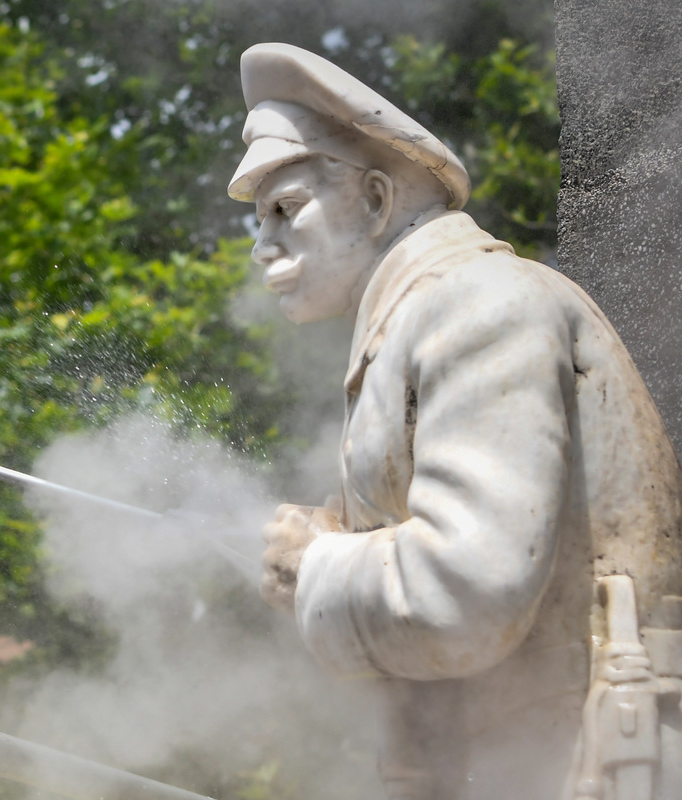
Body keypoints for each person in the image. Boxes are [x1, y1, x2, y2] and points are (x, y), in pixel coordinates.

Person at [229, 43, 682, 799]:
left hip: (585, 769)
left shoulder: (476, 303)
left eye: (286, 209)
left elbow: (467, 593)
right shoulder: (422, 316)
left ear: (375, 201)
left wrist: (316, 566)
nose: (261, 245)